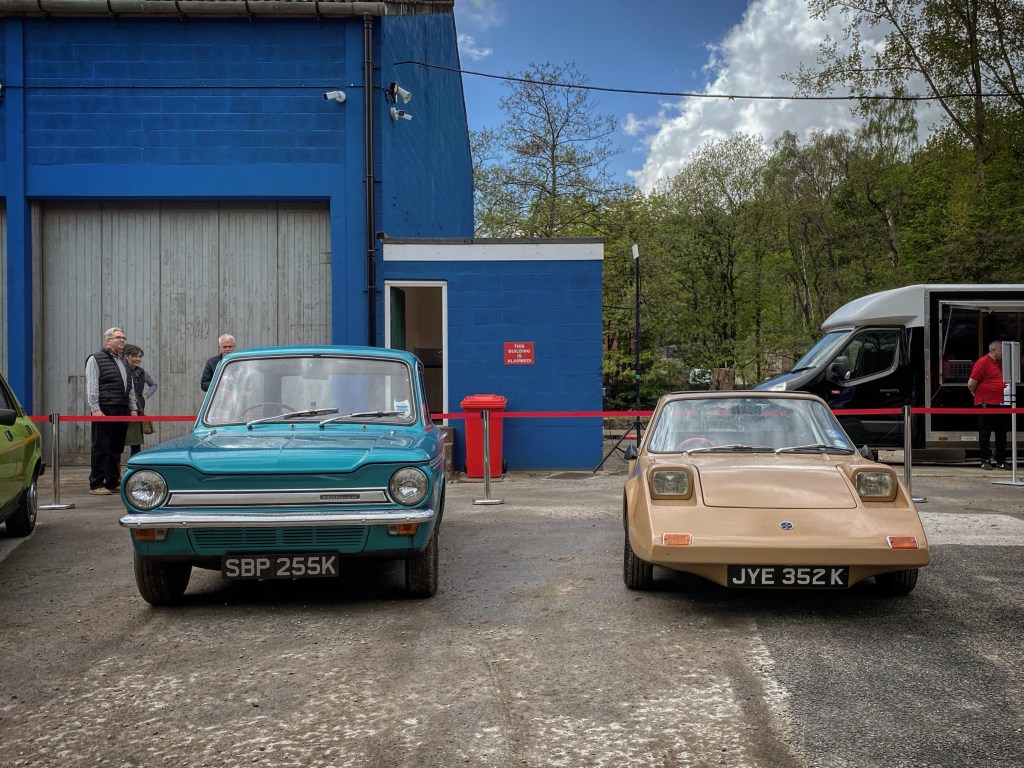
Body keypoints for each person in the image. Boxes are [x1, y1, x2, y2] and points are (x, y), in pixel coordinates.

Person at [85, 327, 138, 494]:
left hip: (122, 408)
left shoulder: (123, 360)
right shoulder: (95, 359)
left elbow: (129, 385)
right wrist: (95, 409)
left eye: (123, 337)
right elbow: (92, 386)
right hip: (105, 408)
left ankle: (112, 481)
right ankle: (96, 483)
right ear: (108, 341)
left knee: (116, 447)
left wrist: (133, 407)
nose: (122, 340)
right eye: (118, 337)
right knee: (101, 447)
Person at [968, 340, 1008, 470]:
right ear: (994, 350)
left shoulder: (1001, 363)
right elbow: (971, 383)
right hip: (985, 403)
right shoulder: (983, 362)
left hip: (1001, 403)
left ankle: (1001, 460)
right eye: (1002, 350)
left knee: (1002, 432)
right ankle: (985, 459)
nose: (1003, 353)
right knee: (985, 432)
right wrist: (978, 394)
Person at [123, 344, 159, 456]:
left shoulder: (141, 372)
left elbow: (153, 385)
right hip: (122, 409)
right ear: (126, 356)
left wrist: (145, 396)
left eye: (139, 356)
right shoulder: (120, 370)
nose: (138, 359)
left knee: (136, 442)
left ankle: (134, 464)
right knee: (117, 441)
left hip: (137, 410)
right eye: (135, 356)